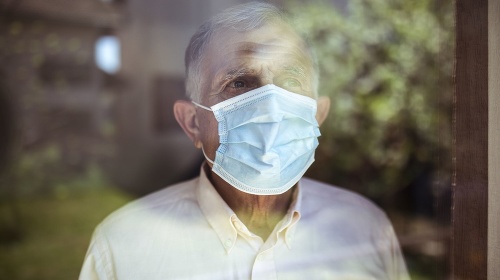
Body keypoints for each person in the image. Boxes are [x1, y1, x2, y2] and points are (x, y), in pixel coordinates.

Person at [79, 2, 409, 279]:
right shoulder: (122, 248)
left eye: (291, 79)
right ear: (193, 123)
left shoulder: (365, 229)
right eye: (239, 82)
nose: (271, 104)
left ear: (318, 114)